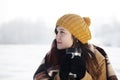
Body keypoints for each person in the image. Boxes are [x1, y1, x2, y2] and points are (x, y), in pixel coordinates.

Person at [33, 14, 118, 80]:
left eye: (62, 32)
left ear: (76, 37)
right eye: (57, 32)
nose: (57, 37)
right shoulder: (50, 56)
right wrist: (61, 76)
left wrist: (83, 76)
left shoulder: (96, 58)